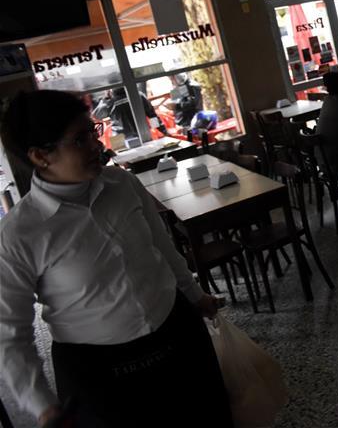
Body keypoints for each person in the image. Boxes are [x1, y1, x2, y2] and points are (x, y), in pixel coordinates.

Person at [0, 90, 232, 428]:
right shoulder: (19, 233)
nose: (97, 145)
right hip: (100, 372)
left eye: (92, 131)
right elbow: (10, 334)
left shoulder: (122, 183)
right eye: (79, 139)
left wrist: (196, 296)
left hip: (177, 333)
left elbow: (163, 248)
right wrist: (43, 406)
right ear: (40, 156)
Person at [93, 86, 167, 141]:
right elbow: (152, 116)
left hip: (120, 139)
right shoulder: (138, 95)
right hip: (143, 135)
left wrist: (104, 100)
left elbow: (96, 116)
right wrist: (162, 131)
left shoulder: (109, 102)